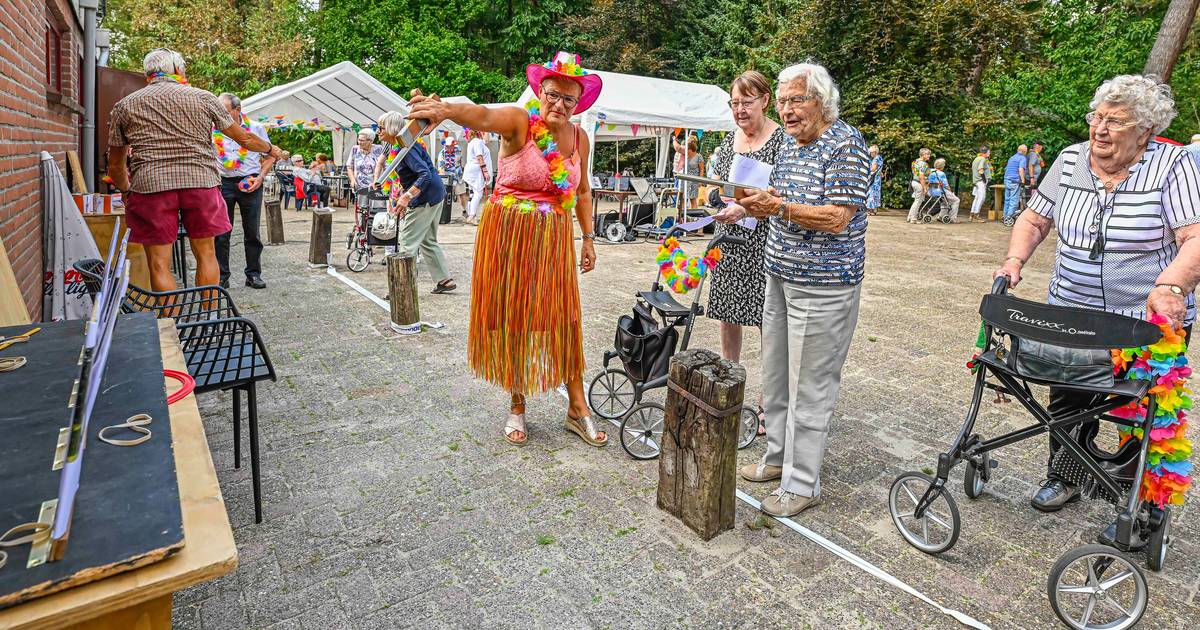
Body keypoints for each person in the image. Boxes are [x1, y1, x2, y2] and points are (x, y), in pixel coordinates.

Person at [993, 75, 1200, 545]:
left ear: (1145, 129)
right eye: (1097, 118)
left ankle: (1140, 506)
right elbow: (1035, 217)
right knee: (1068, 396)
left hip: (1145, 320)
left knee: (1141, 409)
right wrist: (1013, 261)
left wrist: (1172, 285)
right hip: (1072, 310)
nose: (1100, 130)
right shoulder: (1069, 161)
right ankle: (1066, 476)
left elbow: (1194, 236)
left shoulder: (1173, 165)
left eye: (1115, 122)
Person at [407, 51, 603, 447]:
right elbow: (481, 115)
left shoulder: (579, 137)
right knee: (516, 315)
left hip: (554, 239)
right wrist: (446, 110)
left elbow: (582, 191)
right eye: (552, 94)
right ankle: (517, 403)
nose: (559, 105)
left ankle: (576, 406)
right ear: (540, 91)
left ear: (578, 102)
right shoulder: (519, 122)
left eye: (569, 99)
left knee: (564, 315)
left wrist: (588, 238)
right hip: (510, 233)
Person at [737, 62, 870, 518]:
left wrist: (780, 208)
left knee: (810, 387)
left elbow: (838, 217)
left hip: (824, 284)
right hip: (779, 275)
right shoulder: (791, 146)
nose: (787, 110)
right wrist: (750, 205)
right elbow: (776, 196)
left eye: (797, 100)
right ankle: (777, 459)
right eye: (784, 100)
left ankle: (802, 483)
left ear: (822, 102)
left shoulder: (847, 144)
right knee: (775, 376)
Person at [106, 48, 284, 292]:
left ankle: (172, 326)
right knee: (207, 254)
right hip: (200, 182)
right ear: (178, 70)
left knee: (159, 264)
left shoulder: (125, 105)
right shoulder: (203, 98)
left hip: (152, 185)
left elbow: (115, 164)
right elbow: (243, 138)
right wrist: (271, 149)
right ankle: (206, 316)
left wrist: (126, 189)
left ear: (147, 72)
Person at [703, 70, 788, 434]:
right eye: (734, 103)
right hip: (730, 239)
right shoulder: (727, 142)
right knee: (727, 312)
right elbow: (715, 186)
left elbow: (786, 190)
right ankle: (728, 381)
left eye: (746, 103)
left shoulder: (783, 141)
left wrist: (749, 208)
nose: (739, 110)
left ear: (766, 100)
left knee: (767, 320)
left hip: (765, 240)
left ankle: (770, 399)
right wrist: (714, 200)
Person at [372, 113, 456, 294]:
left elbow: (424, 174)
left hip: (425, 197)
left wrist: (407, 196)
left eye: (381, 128)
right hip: (434, 193)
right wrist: (404, 196)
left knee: (407, 242)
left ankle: (401, 287)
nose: (378, 132)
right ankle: (444, 280)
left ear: (393, 129)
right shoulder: (401, 146)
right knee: (428, 240)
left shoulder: (407, 148)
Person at [213, 93, 273, 290]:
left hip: (250, 182)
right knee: (222, 232)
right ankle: (222, 276)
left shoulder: (256, 128)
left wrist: (261, 177)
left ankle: (253, 274)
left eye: (225, 111)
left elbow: (271, 155)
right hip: (223, 183)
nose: (219, 114)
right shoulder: (212, 130)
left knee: (252, 232)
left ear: (237, 110)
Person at [462, 130, 491, 225]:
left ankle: (470, 215)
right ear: (481, 133)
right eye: (486, 133)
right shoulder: (478, 142)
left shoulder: (473, 142)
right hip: (476, 171)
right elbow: (479, 157)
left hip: (471, 170)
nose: (488, 136)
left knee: (472, 194)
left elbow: (485, 142)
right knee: (478, 193)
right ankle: (472, 216)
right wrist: (485, 171)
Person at [348, 129, 385, 201]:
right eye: (359, 140)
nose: (359, 142)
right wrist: (352, 180)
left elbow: (386, 166)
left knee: (375, 209)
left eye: (362, 140)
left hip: (376, 186)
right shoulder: (355, 149)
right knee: (362, 209)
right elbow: (349, 167)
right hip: (360, 187)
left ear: (370, 141)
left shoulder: (379, 149)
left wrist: (380, 182)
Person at [672, 135, 702, 208]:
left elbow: (677, 147)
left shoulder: (686, 149)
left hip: (684, 175)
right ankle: (682, 216)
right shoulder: (687, 149)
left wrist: (673, 139)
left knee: (684, 197)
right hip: (681, 174)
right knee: (683, 198)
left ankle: (682, 215)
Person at [927, 158, 960, 222]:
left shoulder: (930, 171)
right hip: (940, 191)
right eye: (944, 165)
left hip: (931, 191)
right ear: (942, 166)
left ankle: (941, 216)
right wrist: (951, 192)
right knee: (956, 200)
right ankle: (952, 218)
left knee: (945, 201)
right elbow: (946, 185)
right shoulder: (941, 174)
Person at [1002, 144, 1029, 223]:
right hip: (1014, 181)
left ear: (1018, 150)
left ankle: (1004, 216)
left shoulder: (1012, 157)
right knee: (1014, 200)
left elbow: (1006, 168)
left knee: (1007, 199)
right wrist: (1023, 180)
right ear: (1025, 152)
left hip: (1007, 179)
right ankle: (1009, 217)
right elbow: (1021, 169)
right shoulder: (1022, 158)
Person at [906, 148, 931, 223]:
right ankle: (913, 219)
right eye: (927, 154)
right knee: (918, 201)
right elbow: (921, 177)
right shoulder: (923, 164)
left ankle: (910, 217)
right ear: (922, 155)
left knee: (916, 201)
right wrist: (925, 187)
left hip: (914, 182)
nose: (929, 156)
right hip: (919, 183)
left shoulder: (915, 161)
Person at [969, 146, 992, 222]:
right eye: (988, 152)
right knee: (982, 198)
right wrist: (985, 180)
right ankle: (976, 215)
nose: (989, 153)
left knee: (977, 198)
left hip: (976, 181)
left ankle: (971, 215)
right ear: (985, 152)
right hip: (980, 181)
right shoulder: (983, 159)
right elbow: (981, 170)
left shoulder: (977, 158)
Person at [865, 145, 884, 215]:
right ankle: (874, 209)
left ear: (875, 152)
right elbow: (879, 169)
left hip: (874, 179)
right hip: (877, 179)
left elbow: (873, 168)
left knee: (871, 194)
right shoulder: (880, 158)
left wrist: (865, 169)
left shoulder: (876, 158)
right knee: (875, 194)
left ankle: (870, 210)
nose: (870, 154)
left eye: (871, 152)